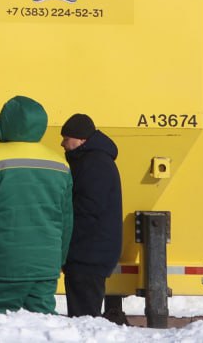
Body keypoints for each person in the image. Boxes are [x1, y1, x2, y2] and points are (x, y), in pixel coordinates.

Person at [0, 95, 72, 315]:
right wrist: (57, 260)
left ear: (5, 121)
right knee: (41, 330)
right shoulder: (60, 164)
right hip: (44, 268)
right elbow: (65, 220)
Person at [59, 113, 125, 322]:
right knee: (84, 316)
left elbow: (87, 208)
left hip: (88, 255)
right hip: (90, 253)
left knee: (84, 319)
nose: (63, 143)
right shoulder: (92, 160)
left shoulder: (94, 163)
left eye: (66, 138)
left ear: (81, 139)